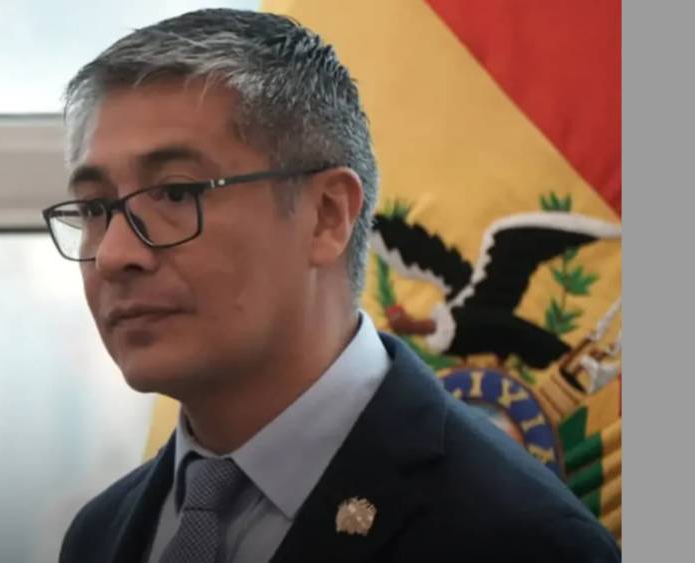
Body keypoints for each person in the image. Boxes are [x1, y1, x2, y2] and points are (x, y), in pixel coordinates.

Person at [44, 8, 620, 563]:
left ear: (326, 216)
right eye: (94, 208)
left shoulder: (520, 539)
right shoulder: (102, 533)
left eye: (175, 194)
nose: (114, 254)